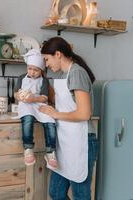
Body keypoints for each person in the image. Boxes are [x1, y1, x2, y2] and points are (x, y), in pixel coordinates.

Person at [40, 37, 99, 200]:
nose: (46, 64)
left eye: (46, 59)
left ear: (57, 54)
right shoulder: (66, 74)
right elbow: (68, 104)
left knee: (81, 195)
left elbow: (84, 113)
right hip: (67, 142)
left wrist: (55, 113)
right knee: (56, 192)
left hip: (82, 143)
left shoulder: (77, 73)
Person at [14, 49, 58, 169]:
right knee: (27, 119)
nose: (32, 72)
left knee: (50, 121)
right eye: (30, 68)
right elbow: (15, 94)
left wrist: (33, 98)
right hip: (26, 105)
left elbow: (44, 98)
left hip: (38, 104)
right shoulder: (21, 78)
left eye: (36, 70)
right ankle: (28, 148)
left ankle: (50, 152)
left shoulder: (44, 81)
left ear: (41, 70)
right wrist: (19, 96)